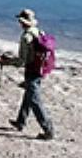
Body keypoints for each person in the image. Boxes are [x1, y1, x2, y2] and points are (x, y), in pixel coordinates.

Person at [5, 8, 55, 140]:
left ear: (22, 22)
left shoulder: (26, 36)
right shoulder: (39, 32)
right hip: (40, 70)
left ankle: (48, 130)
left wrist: (7, 61)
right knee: (29, 95)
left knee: (35, 101)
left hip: (31, 70)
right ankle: (20, 122)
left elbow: (21, 60)